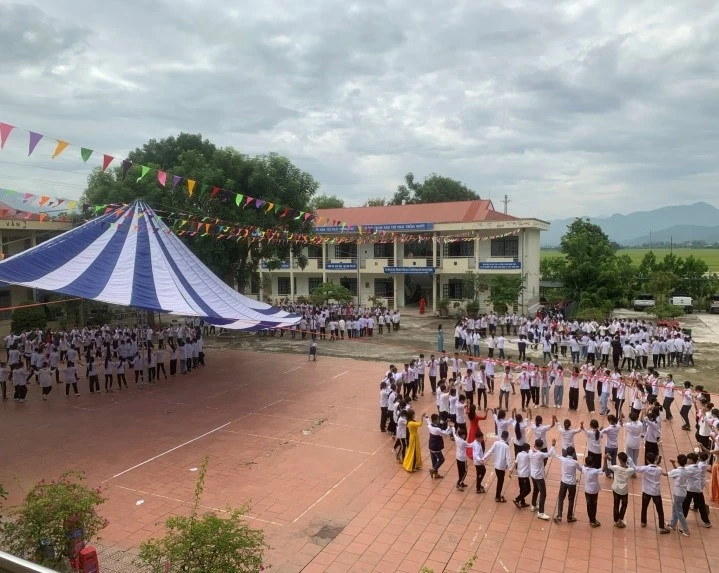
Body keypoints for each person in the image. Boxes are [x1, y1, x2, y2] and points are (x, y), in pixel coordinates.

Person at [635, 452, 670, 534]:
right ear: (655, 460)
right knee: (660, 510)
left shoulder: (645, 468)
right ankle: (661, 527)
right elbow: (665, 474)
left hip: (646, 491)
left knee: (644, 507)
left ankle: (643, 522)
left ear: (647, 460)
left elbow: (636, 468)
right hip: (656, 492)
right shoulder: (659, 469)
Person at [482, 430, 512, 503]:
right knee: (500, 481)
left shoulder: (496, 443)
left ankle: (498, 495)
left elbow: (490, 451)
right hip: (501, 467)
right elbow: (508, 458)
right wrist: (510, 468)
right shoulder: (506, 446)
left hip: (496, 465)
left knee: (500, 480)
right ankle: (497, 496)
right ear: (506, 437)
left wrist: (483, 458)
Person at [529, 438, 555, 520]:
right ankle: (540, 512)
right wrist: (553, 445)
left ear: (535, 444)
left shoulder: (530, 451)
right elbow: (549, 454)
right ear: (541, 446)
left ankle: (533, 505)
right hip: (539, 476)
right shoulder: (540, 454)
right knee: (543, 493)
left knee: (536, 490)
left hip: (532, 474)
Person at [607, 452, 635, 528]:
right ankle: (620, 519)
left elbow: (609, 466)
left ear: (619, 460)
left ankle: (615, 521)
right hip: (624, 490)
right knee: (624, 504)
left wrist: (609, 460)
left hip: (616, 488)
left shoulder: (616, 468)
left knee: (616, 505)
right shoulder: (629, 470)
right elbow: (634, 468)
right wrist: (630, 460)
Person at [553, 447, 580, 523]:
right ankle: (569, 517)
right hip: (572, 483)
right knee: (571, 500)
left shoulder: (563, 459)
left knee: (561, 498)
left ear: (566, 452)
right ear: (573, 453)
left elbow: (555, 455)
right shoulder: (575, 462)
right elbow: (581, 469)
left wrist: (553, 446)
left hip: (564, 482)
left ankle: (559, 516)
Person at [668, 455, 691, 536]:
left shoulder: (677, 471)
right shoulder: (686, 471)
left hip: (678, 493)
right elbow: (676, 472)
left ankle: (686, 529)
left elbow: (668, 474)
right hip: (683, 493)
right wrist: (674, 464)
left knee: (679, 511)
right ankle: (672, 524)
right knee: (675, 508)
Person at [425, 413, 452, 479]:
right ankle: (433, 470)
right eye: (437, 419)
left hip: (431, 446)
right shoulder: (437, 429)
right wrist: (450, 427)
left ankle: (436, 474)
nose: (439, 420)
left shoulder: (430, 426)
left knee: (434, 460)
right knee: (441, 459)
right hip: (436, 447)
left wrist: (426, 417)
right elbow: (445, 433)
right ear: (434, 420)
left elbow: (428, 421)